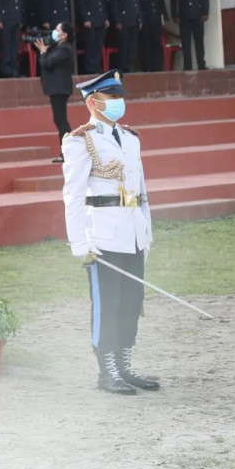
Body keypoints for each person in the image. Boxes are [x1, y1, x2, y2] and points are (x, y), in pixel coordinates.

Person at [61, 70, 157, 396]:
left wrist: (147, 230)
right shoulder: (80, 140)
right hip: (102, 235)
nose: (119, 103)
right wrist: (79, 243)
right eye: (112, 97)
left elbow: (141, 191)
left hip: (132, 233)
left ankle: (126, 366)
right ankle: (108, 371)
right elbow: (72, 195)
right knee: (108, 303)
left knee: (131, 301)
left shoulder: (131, 138)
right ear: (93, 102)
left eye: (120, 96)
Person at [34, 22, 76, 161]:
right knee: (59, 119)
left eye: (57, 30)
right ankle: (68, 151)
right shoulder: (58, 46)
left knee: (61, 120)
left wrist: (43, 51)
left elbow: (47, 63)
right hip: (56, 87)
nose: (54, 31)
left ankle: (68, 151)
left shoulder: (65, 49)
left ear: (64, 35)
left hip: (60, 87)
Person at [169, 0, 209, 71]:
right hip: (184, 17)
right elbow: (173, 0)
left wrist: (205, 12)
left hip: (198, 16)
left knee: (199, 41)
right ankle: (187, 66)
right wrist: (174, 15)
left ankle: (201, 64)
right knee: (186, 43)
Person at [76, 0, 108, 74]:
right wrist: (85, 19)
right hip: (89, 21)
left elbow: (102, 4)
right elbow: (81, 4)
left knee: (98, 45)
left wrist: (105, 18)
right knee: (90, 46)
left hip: (99, 20)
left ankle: (96, 68)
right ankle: (90, 69)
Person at [135, 0, 168, 73]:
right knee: (145, 46)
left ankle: (157, 67)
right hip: (145, 22)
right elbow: (137, 6)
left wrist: (165, 17)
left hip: (156, 20)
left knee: (156, 45)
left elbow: (161, 3)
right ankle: (147, 67)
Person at [108, 0, 140, 73]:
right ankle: (123, 66)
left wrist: (140, 18)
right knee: (124, 44)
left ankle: (131, 65)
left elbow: (137, 5)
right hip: (123, 21)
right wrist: (117, 21)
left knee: (133, 45)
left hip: (133, 20)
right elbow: (114, 7)